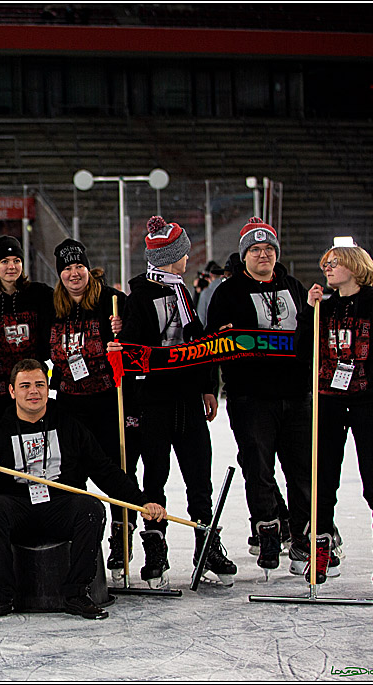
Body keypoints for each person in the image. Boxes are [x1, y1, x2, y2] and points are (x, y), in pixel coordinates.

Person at [0, 359, 167, 620]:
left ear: (48, 387)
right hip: (19, 508)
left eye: (40, 384)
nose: (34, 392)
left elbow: (104, 470)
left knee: (90, 508)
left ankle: (77, 594)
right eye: (25, 386)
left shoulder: (69, 425)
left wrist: (141, 502)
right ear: (12, 391)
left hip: (60, 507)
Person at [118, 215, 236, 589]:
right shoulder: (139, 296)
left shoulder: (183, 292)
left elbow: (198, 344)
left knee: (199, 474)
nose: (187, 260)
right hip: (154, 401)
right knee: (156, 476)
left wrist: (207, 387)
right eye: (183, 254)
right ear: (171, 257)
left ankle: (207, 544)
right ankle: (155, 546)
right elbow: (134, 352)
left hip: (187, 400)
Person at [206, 218, 312, 577]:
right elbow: (212, 344)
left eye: (268, 249)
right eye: (255, 249)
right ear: (245, 255)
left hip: (296, 396)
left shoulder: (294, 287)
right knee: (259, 469)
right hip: (251, 397)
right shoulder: (228, 292)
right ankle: (267, 529)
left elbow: (308, 337)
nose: (263, 254)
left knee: (301, 471)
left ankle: (302, 538)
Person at [299, 239, 373, 588]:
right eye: (325, 263)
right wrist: (307, 311)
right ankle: (322, 549)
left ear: (356, 267)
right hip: (328, 404)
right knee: (323, 483)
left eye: (334, 262)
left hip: (366, 405)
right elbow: (304, 354)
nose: (327, 268)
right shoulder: (322, 309)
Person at [46, 239, 137, 580]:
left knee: (116, 470)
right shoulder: (53, 306)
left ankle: (121, 537)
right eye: (67, 269)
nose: (73, 274)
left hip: (107, 401)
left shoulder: (112, 302)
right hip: (70, 403)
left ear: (88, 269)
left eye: (78, 267)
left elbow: (137, 346)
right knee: (70, 473)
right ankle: (76, 539)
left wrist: (123, 333)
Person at [0, 235, 53, 428]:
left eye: (16, 261)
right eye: (5, 261)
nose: (12, 266)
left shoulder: (39, 294)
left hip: (32, 390)